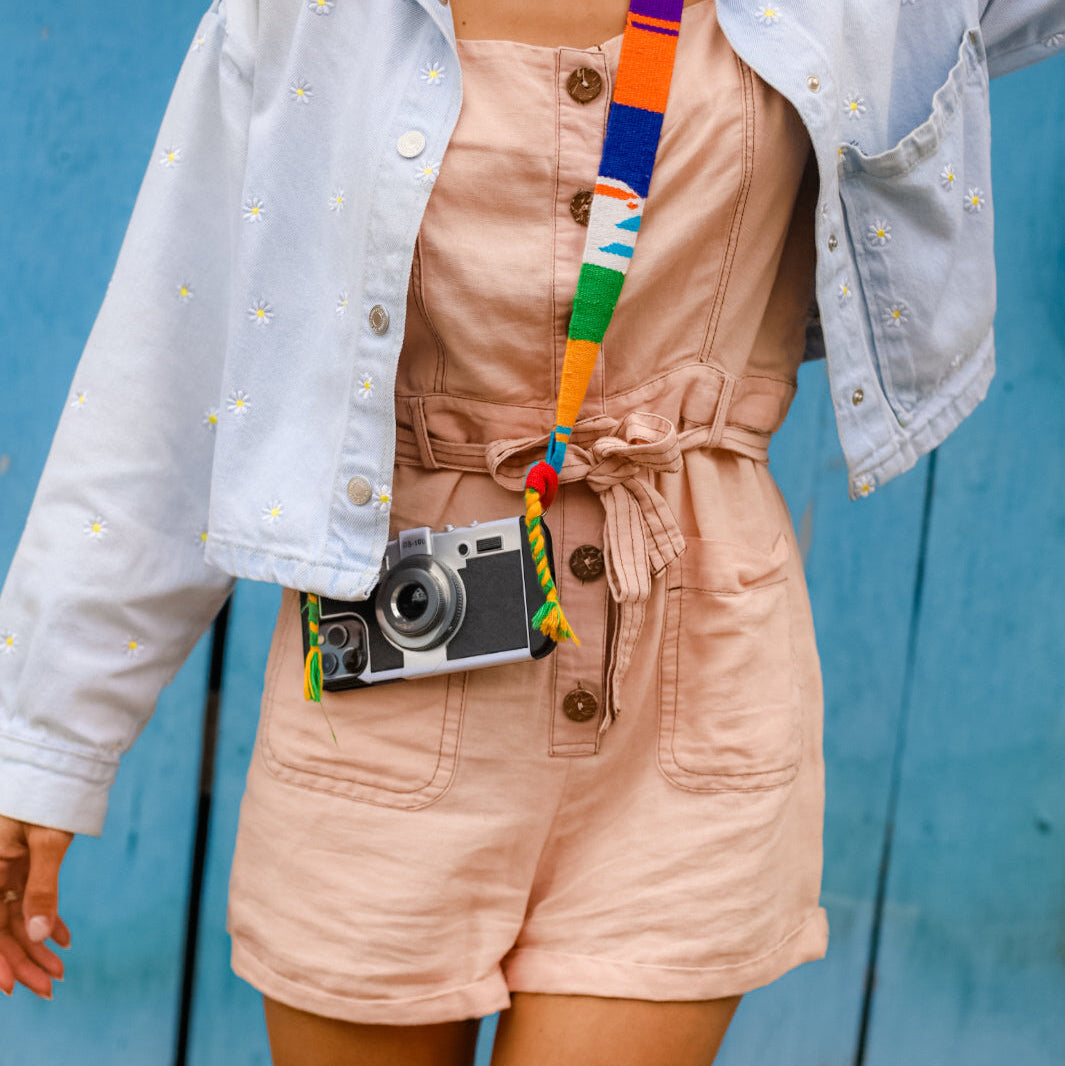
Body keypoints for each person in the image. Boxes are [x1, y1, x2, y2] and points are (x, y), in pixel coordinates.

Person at [1, 1, 1063, 1063]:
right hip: (391, 692)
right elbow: (169, 372)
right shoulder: (308, 17)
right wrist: (43, 748)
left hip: (694, 689)